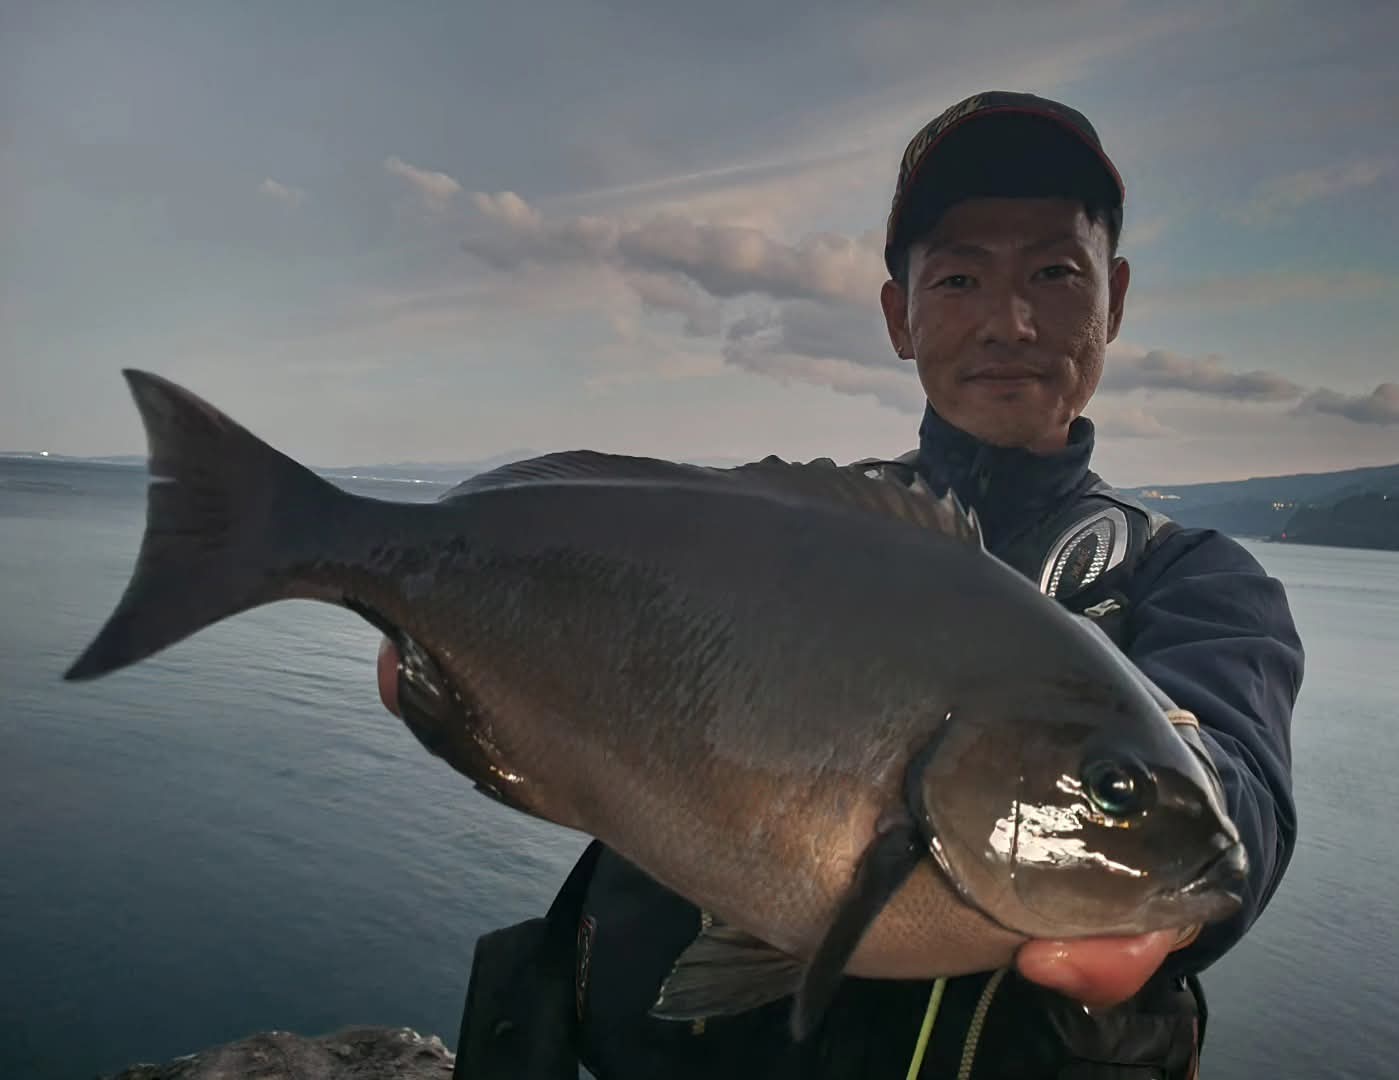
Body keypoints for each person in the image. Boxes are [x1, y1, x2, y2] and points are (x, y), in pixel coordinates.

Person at [376, 90, 1305, 1079]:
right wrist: (490, 689)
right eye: (960, 278)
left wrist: (1159, 863)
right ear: (900, 317)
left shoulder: (1197, 583)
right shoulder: (782, 539)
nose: (1010, 321)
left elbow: (1236, 787)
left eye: (1054, 273)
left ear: (1113, 299)